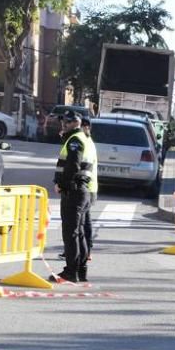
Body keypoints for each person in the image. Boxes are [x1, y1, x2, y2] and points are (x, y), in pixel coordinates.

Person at [51, 111, 97, 283]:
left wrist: (62, 184)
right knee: (79, 234)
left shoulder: (75, 140)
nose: (63, 125)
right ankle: (81, 270)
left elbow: (73, 166)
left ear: (72, 123)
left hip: (74, 191)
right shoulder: (85, 138)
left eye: (65, 122)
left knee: (71, 233)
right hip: (83, 191)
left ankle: (71, 271)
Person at [81, 118, 97, 259]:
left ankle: (85, 250)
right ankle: (86, 250)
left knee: (83, 222)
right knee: (84, 220)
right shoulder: (88, 141)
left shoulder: (86, 142)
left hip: (87, 187)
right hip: (89, 187)